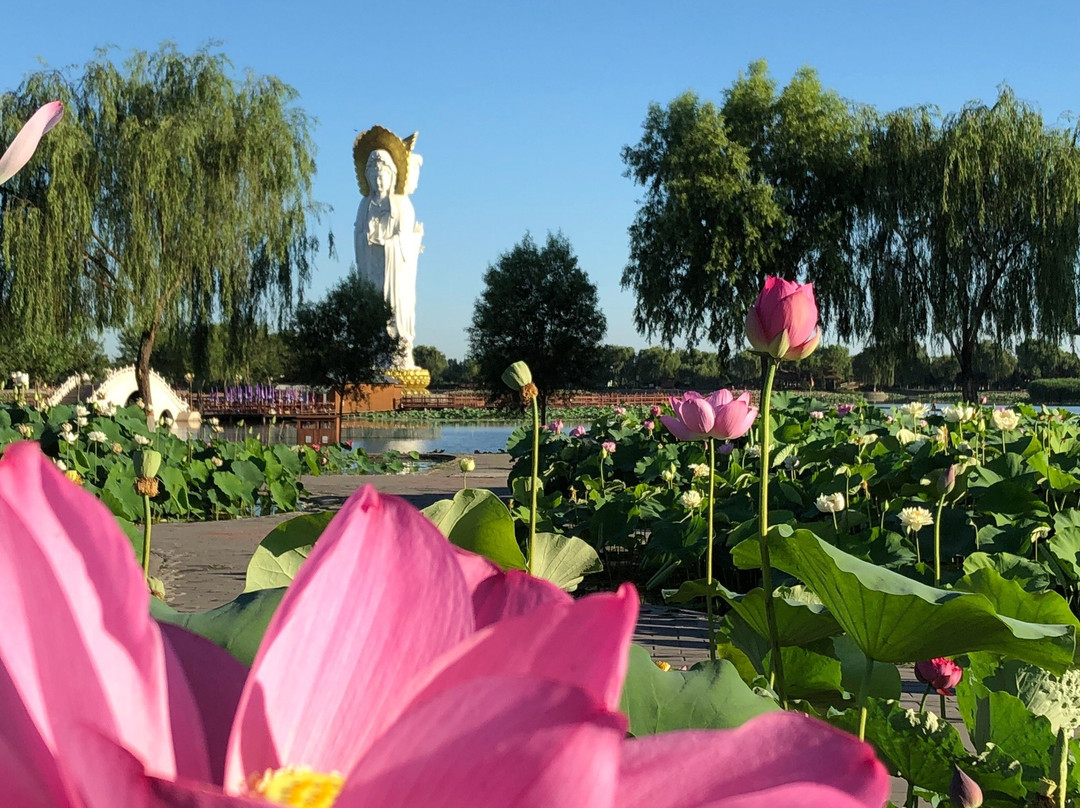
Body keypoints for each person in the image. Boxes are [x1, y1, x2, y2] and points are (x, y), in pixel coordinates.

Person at [353, 131, 424, 369]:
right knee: (370, 309)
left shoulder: (402, 204)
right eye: (373, 176)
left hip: (393, 273)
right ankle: (372, 356)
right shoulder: (365, 205)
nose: (378, 181)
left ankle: (397, 354)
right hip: (371, 267)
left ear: (392, 176)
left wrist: (391, 244)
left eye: (382, 175)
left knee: (394, 309)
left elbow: (405, 239)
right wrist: (367, 240)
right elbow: (358, 234)